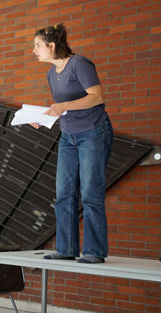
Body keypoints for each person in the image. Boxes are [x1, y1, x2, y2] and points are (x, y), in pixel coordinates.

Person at [31, 23, 113, 264]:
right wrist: (44, 117)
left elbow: (97, 97)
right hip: (68, 135)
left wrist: (63, 106)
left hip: (93, 132)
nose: (34, 50)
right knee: (64, 193)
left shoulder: (79, 63)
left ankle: (95, 252)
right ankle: (66, 248)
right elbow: (65, 107)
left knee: (90, 192)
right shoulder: (50, 74)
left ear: (52, 46)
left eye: (37, 45)